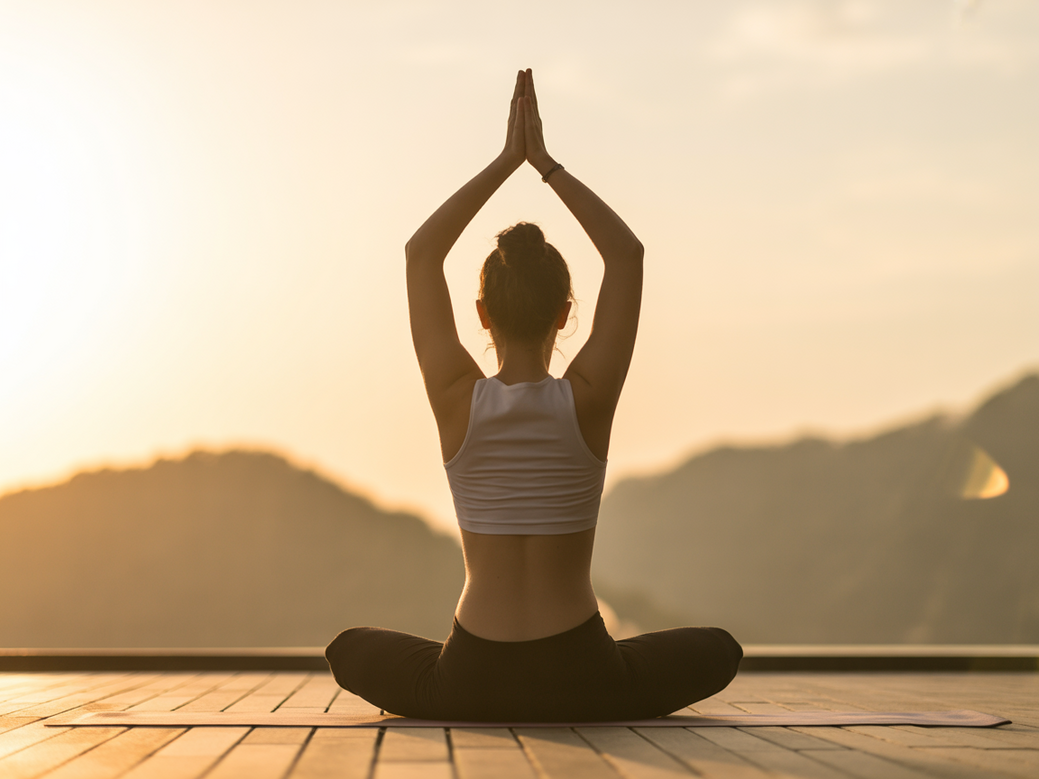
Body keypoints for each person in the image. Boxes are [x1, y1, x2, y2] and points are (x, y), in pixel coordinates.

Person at [326, 69, 741, 722]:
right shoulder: (587, 398)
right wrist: (544, 165)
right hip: (581, 674)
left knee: (347, 648)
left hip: (467, 677)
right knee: (719, 648)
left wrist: (504, 161)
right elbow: (626, 255)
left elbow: (420, 254)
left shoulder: (455, 397)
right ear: (565, 310)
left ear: (482, 314)